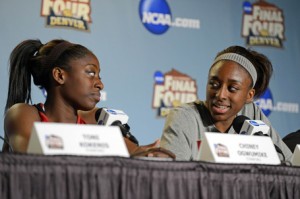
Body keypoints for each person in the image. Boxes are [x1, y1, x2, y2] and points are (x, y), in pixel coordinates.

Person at [2, 38, 175, 159]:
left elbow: (134, 152)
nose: (100, 84)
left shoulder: (95, 118)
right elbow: (29, 164)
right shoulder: (24, 114)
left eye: (99, 75)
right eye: (91, 73)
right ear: (59, 75)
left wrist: (147, 153)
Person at [160, 45, 292, 162]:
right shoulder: (184, 117)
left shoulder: (251, 114)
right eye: (214, 84)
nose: (220, 95)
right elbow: (173, 178)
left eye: (232, 88)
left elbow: (290, 164)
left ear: (249, 95)